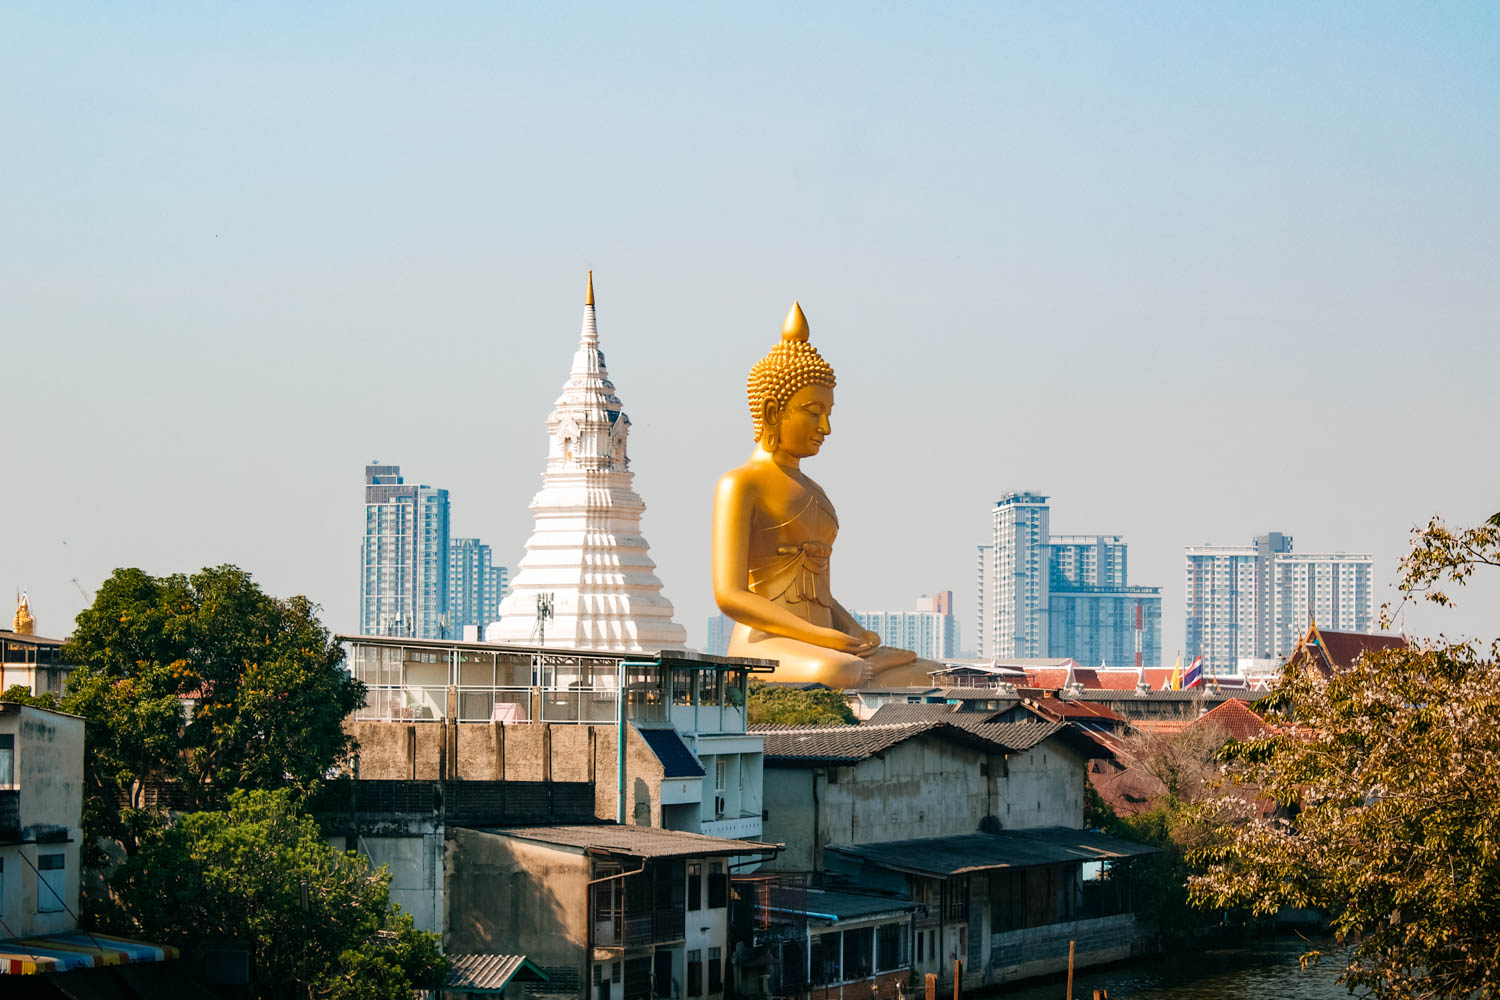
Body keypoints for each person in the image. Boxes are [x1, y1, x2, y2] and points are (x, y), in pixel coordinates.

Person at [711, 302, 939, 689]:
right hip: (766, 643)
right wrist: (820, 637)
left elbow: (822, 595)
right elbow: (730, 595)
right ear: (772, 411)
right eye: (814, 412)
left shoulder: (815, 491)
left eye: (828, 413)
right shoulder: (740, 484)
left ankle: (864, 666)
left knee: (932, 673)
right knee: (839, 671)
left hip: (825, 643)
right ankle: (861, 669)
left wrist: (854, 631)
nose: (826, 427)